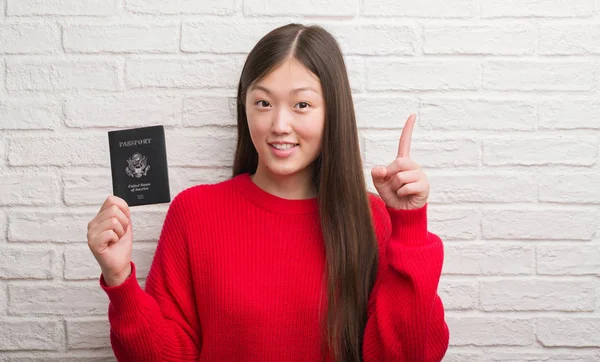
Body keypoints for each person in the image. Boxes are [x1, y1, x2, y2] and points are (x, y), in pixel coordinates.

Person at [86, 23, 449, 362]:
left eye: (302, 105)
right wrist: (120, 281)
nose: (279, 125)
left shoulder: (371, 219)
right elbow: (169, 354)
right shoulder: (195, 212)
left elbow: (411, 353)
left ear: (332, 113)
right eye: (263, 103)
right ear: (244, 108)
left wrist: (410, 228)